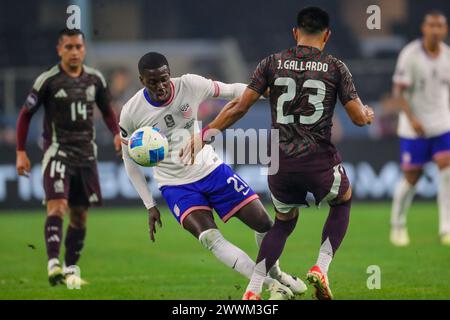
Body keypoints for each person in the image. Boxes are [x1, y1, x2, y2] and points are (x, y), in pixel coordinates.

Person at [182, 7, 374, 300]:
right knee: (342, 200)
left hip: (280, 163)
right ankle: (321, 269)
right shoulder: (336, 67)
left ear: (296, 33)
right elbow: (359, 118)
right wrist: (367, 113)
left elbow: (239, 106)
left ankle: (253, 289)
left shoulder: (271, 63)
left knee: (283, 223)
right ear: (327, 35)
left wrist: (205, 136)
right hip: (318, 160)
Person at [120, 52, 307, 299]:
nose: (160, 86)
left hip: (211, 170)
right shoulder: (131, 112)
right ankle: (269, 287)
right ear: (142, 80)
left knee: (265, 224)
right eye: (152, 82)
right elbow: (129, 160)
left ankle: (277, 274)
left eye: (164, 79)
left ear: (169, 74)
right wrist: (149, 204)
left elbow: (231, 90)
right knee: (209, 237)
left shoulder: (190, 85)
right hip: (175, 185)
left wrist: (264, 92)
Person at [15, 28, 121, 286]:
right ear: (59, 50)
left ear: (84, 49)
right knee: (58, 206)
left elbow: (107, 110)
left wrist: (117, 133)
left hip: (86, 156)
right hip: (58, 153)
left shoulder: (95, 79)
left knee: (80, 215)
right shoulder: (48, 80)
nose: (74, 52)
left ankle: (71, 268)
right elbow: (25, 115)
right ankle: (53, 265)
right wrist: (20, 152)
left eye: (78, 47)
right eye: (69, 47)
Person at [390, 10, 450, 247]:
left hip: (442, 125)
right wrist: (412, 118)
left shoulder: (448, 56)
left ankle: (446, 228)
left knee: (447, 173)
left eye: (440, 26)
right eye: (431, 26)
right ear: (424, 29)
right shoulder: (410, 55)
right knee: (412, 179)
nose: (436, 30)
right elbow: (399, 92)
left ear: (444, 30)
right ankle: (398, 224)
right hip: (414, 127)